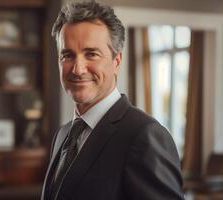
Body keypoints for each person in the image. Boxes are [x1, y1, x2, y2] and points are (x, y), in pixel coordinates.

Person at [41, 1, 184, 200]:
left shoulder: (144, 136)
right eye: (68, 55)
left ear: (116, 62)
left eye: (91, 54)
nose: (78, 69)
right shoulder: (62, 134)